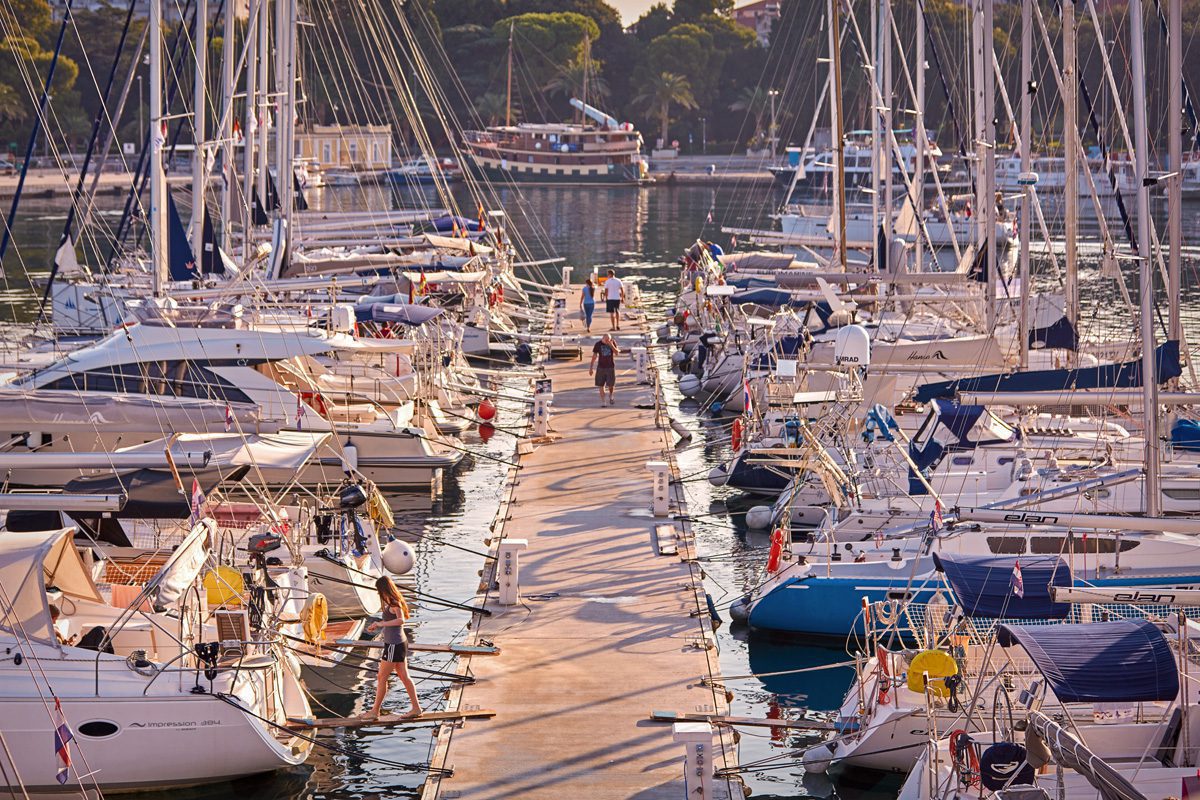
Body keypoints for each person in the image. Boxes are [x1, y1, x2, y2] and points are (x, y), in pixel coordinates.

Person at [363, 576, 422, 721]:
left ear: (384, 590)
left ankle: (374, 711)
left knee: (381, 677)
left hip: (394, 646)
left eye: (380, 591)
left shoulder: (394, 603)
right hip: (399, 643)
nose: (380, 595)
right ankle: (416, 708)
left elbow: (401, 620)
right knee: (403, 676)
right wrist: (377, 625)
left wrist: (381, 624)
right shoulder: (391, 602)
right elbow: (391, 622)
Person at [589, 332, 620, 406]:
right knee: (601, 385)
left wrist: (611, 345)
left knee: (611, 385)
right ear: (602, 339)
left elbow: (617, 353)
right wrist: (591, 368)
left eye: (608, 340)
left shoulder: (612, 342)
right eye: (606, 340)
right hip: (601, 367)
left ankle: (611, 394)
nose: (607, 341)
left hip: (610, 367)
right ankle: (603, 401)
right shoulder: (598, 344)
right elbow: (594, 357)